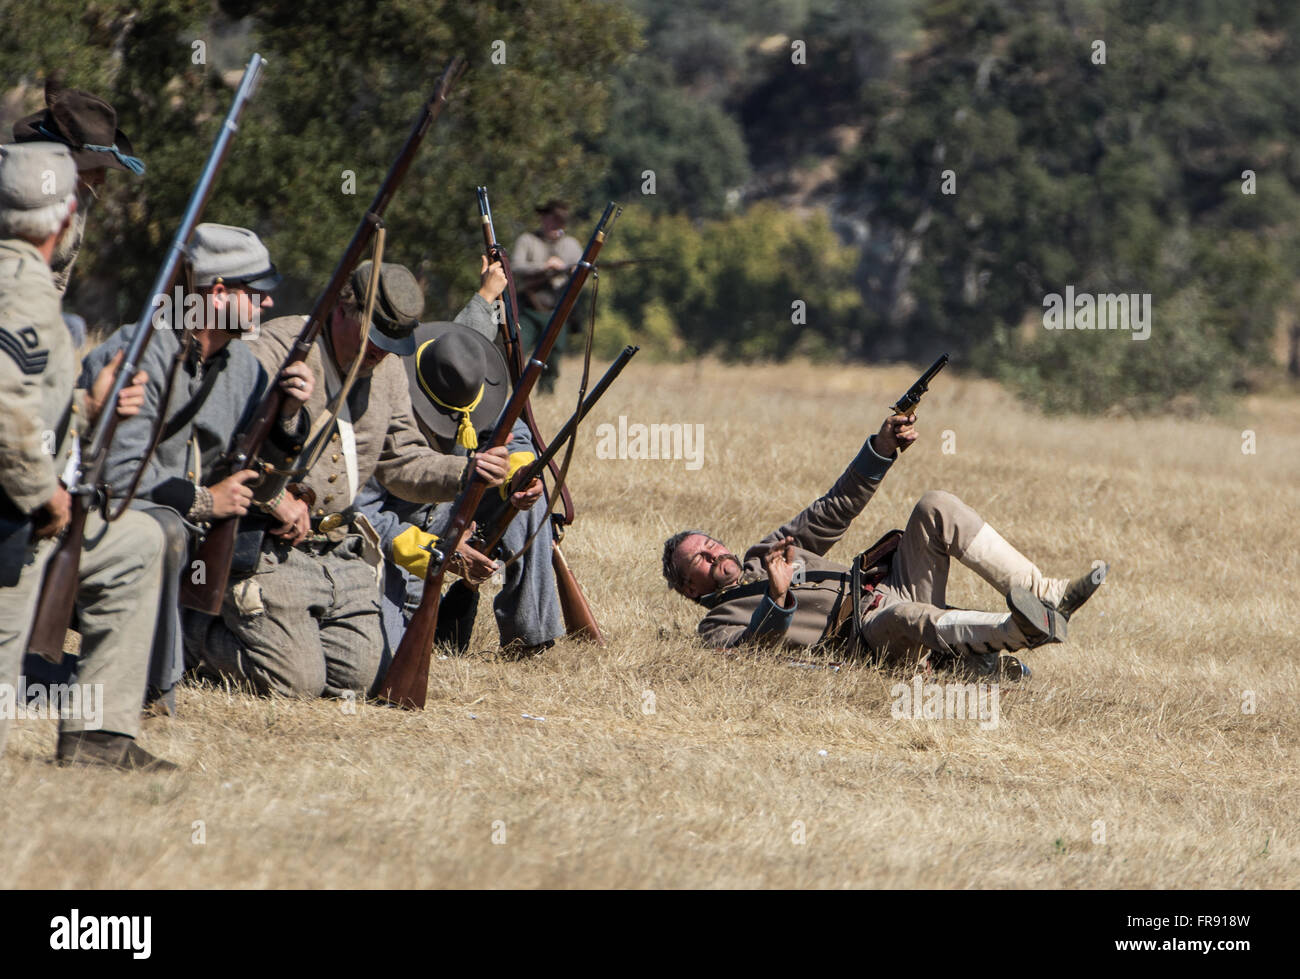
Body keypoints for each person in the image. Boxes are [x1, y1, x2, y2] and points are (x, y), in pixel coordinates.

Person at [187, 260, 511, 699]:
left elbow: (403, 462)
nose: (380, 353)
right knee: (295, 684)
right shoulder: (277, 348)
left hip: (338, 550)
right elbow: (218, 446)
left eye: (391, 343)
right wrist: (275, 496)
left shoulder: (389, 370)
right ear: (342, 309)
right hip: (265, 541)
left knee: (360, 680)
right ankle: (186, 630)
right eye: (374, 337)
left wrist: (468, 471)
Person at [660, 413, 1106, 677]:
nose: (715, 553)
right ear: (690, 590)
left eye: (713, 544)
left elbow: (832, 509)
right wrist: (777, 599)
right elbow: (751, 655)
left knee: (935, 506)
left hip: (888, 584)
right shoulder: (714, 627)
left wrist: (881, 447)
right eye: (699, 558)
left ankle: (1045, 594)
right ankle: (1020, 630)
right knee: (908, 617)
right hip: (866, 634)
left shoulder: (767, 553)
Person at [75, 223, 314, 713]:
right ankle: (156, 693)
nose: (269, 304)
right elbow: (116, 476)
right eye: (257, 293)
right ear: (219, 293)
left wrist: (288, 414)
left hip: (184, 533)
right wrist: (207, 501)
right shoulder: (143, 350)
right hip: (100, 517)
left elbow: (261, 465)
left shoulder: (243, 368)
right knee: (166, 530)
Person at [0, 143, 172, 770]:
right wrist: (45, 494)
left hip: (22, 514)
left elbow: (25, 402)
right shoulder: (21, 289)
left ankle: (100, 738)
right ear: (65, 213)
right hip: (13, 523)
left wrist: (87, 407)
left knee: (137, 543)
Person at [355, 276, 564, 660]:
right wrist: (442, 553)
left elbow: (514, 435)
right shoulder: (377, 407)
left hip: (451, 508)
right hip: (403, 535)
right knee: (384, 651)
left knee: (530, 498)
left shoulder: (471, 384)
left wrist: (517, 477)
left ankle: (530, 640)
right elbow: (362, 515)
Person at [12, 76, 146, 300]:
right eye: (95, 168)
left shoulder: (77, 198)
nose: (101, 180)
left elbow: (56, 279)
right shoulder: (11, 185)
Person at [509, 199, 582, 394]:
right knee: (517, 351)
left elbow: (582, 274)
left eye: (559, 221)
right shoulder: (527, 240)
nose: (555, 224)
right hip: (529, 308)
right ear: (543, 218)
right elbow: (515, 267)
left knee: (553, 357)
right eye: (552, 219)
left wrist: (570, 270)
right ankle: (513, 392)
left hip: (557, 311)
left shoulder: (572, 245)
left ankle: (546, 394)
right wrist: (545, 267)